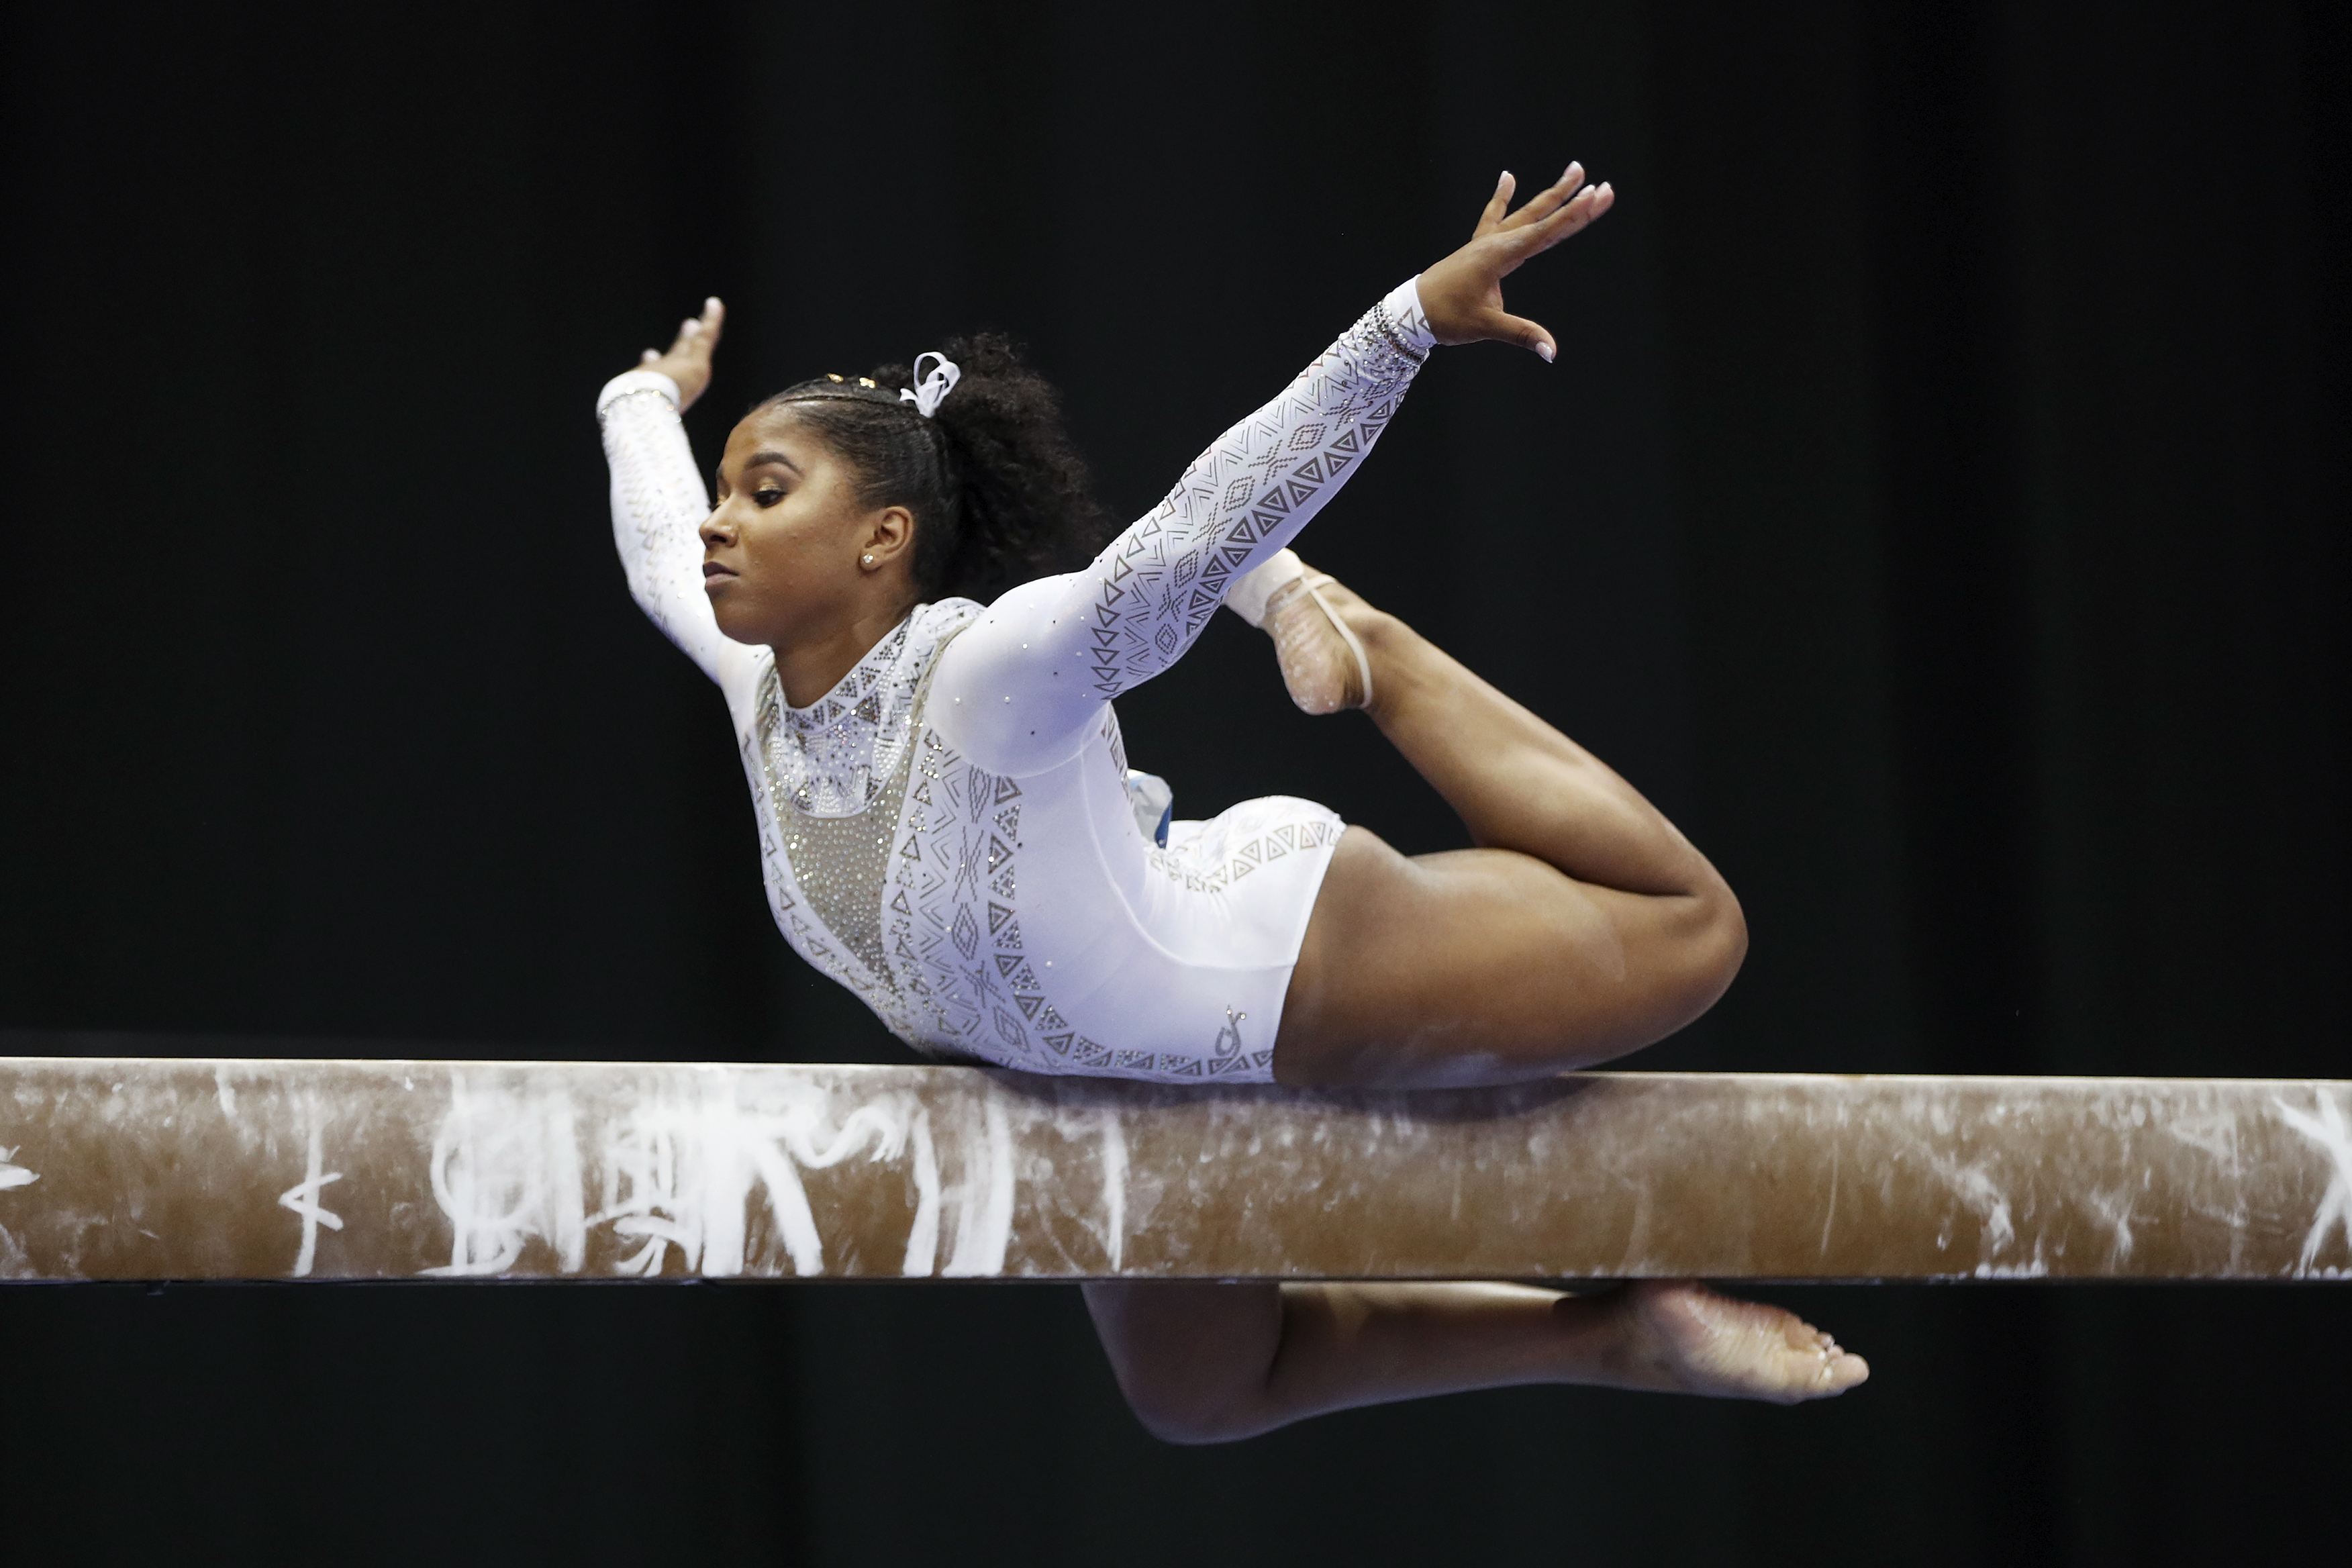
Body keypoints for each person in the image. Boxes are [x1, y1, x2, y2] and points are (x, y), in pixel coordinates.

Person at [598, 164, 1868, 1437]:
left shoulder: (987, 676)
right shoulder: (752, 685)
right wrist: (643, 393)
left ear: (881, 538)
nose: (719, 524)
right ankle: (1613, 1337)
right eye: (725, 492)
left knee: (1691, 928)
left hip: (1278, 971)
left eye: (765, 493)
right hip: (1113, 1079)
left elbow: (1187, 540)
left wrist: (1408, 322)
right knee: (1204, 1394)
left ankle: (1356, 633)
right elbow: (657, 542)